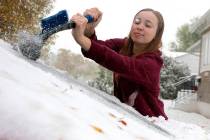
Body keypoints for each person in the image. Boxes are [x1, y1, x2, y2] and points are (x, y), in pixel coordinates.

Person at [71, 8, 168, 120]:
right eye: (137, 22)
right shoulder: (124, 45)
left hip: (152, 125)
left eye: (147, 25)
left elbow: (120, 63)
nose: (140, 26)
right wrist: (89, 29)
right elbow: (96, 47)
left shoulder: (152, 63)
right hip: (126, 119)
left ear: (157, 34)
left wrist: (81, 38)